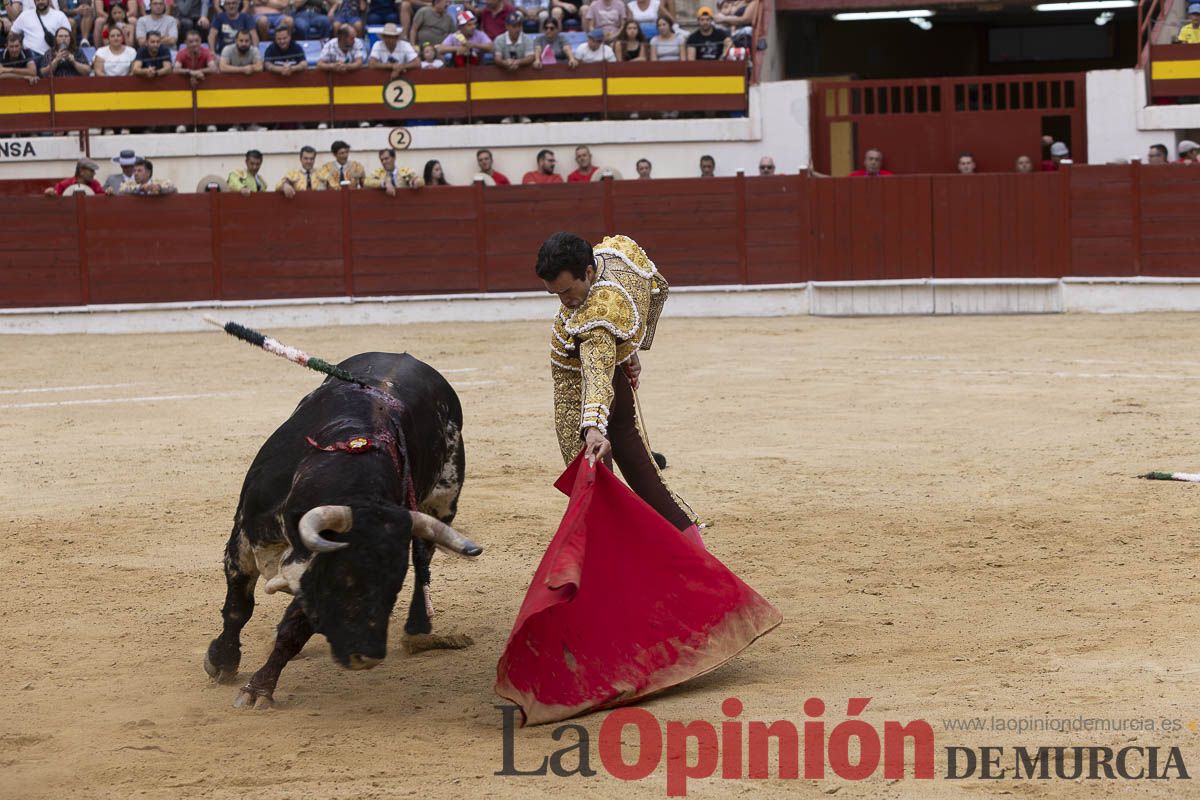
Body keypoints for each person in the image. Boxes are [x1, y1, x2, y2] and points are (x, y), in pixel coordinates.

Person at [536, 231, 703, 542]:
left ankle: (618, 561)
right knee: (637, 460)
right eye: (556, 295)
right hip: (613, 370)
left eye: (568, 291)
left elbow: (595, 377)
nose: (566, 302)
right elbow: (654, 288)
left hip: (580, 393)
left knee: (594, 491)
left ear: (587, 272)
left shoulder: (595, 318)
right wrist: (628, 349)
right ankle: (691, 545)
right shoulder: (614, 255)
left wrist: (592, 428)